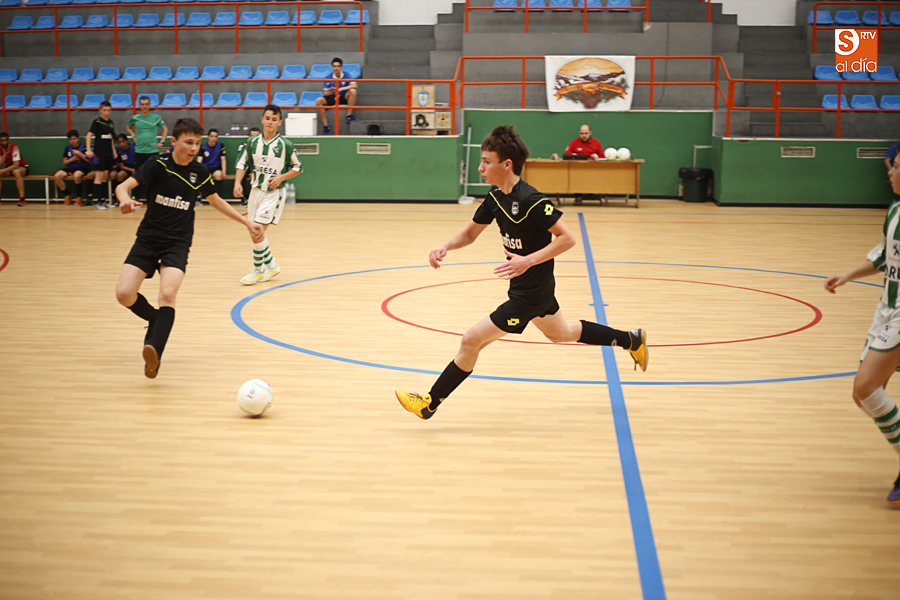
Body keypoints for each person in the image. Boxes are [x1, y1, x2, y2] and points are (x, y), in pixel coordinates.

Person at [395, 125, 648, 420]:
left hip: (531, 293)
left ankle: (429, 403)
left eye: (486, 161)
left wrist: (527, 261)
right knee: (562, 333)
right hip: (526, 287)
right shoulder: (494, 199)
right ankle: (632, 339)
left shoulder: (531, 200)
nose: (481, 167)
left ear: (506, 164)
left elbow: (567, 239)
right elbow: (470, 234)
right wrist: (445, 246)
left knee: (470, 340)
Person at [114, 117, 264, 379]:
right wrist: (125, 199)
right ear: (174, 142)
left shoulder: (200, 172)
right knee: (124, 294)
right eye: (188, 142)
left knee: (168, 295)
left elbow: (215, 201)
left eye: (197, 143)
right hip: (148, 238)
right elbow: (123, 186)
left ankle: (154, 353)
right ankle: (155, 320)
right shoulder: (158, 165)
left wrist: (245, 221)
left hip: (177, 242)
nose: (194, 148)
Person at [825, 161, 900, 505]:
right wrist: (848, 274)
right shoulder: (895, 209)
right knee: (865, 395)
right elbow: (885, 257)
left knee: (865, 386)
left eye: (895, 166)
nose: (889, 172)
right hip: (886, 308)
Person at [233, 104, 303, 285]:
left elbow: (298, 167)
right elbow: (242, 163)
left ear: (280, 122)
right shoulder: (252, 142)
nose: (270, 121)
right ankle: (271, 265)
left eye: (274, 119)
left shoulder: (285, 145)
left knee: (256, 230)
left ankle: (258, 270)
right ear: (262, 119)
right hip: (255, 192)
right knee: (255, 232)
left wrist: (281, 178)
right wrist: (237, 182)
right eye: (267, 118)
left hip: (273, 193)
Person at [126, 95, 168, 201]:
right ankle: (136, 197)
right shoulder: (134, 118)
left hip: (152, 152)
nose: (145, 106)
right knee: (138, 175)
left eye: (146, 104)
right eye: (142, 104)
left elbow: (165, 129)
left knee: (154, 176)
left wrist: (161, 142)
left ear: (149, 105)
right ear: (139, 105)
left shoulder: (156, 118)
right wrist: (133, 135)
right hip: (139, 151)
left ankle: (153, 198)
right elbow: (128, 127)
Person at [551, 124, 604, 205]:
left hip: (592, 169)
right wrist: (573, 156)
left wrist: (597, 157)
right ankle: (578, 196)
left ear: (590, 133)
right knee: (576, 175)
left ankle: (591, 194)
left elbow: (603, 158)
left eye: (586, 133)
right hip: (577, 170)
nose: (584, 135)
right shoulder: (574, 142)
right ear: (579, 133)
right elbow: (566, 155)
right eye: (582, 133)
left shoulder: (596, 143)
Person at [85, 101, 118, 210]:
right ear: (100, 110)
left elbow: (112, 138)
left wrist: (114, 151)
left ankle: (103, 201)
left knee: (105, 177)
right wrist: (89, 150)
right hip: (100, 153)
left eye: (108, 110)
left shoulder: (111, 122)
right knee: (98, 177)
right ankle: (98, 202)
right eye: (104, 110)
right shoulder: (97, 122)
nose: (106, 112)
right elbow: (89, 135)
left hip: (108, 153)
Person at [315, 57, 358, 135]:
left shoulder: (347, 75)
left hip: (343, 96)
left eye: (338, 66)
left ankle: (349, 115)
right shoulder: (328, 77)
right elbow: (325, 93)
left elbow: (355, 85)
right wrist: (331, 91)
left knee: (353, 91)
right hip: (332, 96)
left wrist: (340, 89)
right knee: (318, 100)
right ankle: (326, 126)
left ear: (341, 67)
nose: (336, 68)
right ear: (332, 67)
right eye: (334, 66)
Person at [54, 129, 95, 205]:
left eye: (74, 139)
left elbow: (89, 160)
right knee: (57, 176)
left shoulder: (83, 147)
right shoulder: (68, 148)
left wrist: (79, 154)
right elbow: (64, 163)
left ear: (78, 139)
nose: (72, 141)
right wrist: (71, 159)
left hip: (81, 168)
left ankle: (79, 196)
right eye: (70, 139)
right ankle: (67, 194)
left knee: (77, 175)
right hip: (70, 168)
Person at [0, 132, 30, 206]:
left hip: (22, 168)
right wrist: (4, 154)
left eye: (5, 140)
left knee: (16, 171)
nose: (4, 142)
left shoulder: (14, 147)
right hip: (10, 169)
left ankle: (22, 199)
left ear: (8, 140)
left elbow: (16, 165)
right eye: (2, 140)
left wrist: (3, 170)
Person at [196, 128, 226, 203]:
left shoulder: (220, 145)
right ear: (208, 137)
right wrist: (197, 170)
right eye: (212, 136)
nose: (214, 138)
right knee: (200, 177)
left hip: (216, 168)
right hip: (206, 168)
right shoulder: (203, 147)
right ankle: (198, 197)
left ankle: (218, 197)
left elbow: (223, 160)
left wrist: (224, 173)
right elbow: (199, 160)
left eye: (215, 136)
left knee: (219, 175)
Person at [236, 126, 260, 208]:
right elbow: (241, 162)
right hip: (247, 168)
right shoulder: (244, 146)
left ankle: (259, 200)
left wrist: (254, 171)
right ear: (249, 137)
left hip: (258, 169)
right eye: (252, 136)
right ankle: (244, 199)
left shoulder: (263, 147)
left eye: (256, 136)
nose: (254, 138)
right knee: (241, 174)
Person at [113, 134, 136, 200]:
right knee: (120, 175)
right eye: (119, 142)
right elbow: (121, 166)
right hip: (127, 168)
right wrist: (131, 170)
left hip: (136, 167)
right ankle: (121, 197)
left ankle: (135, 197)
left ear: (127, 141)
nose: (122, 144)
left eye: (123, 141)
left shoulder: (134, 146)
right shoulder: (119, 151)